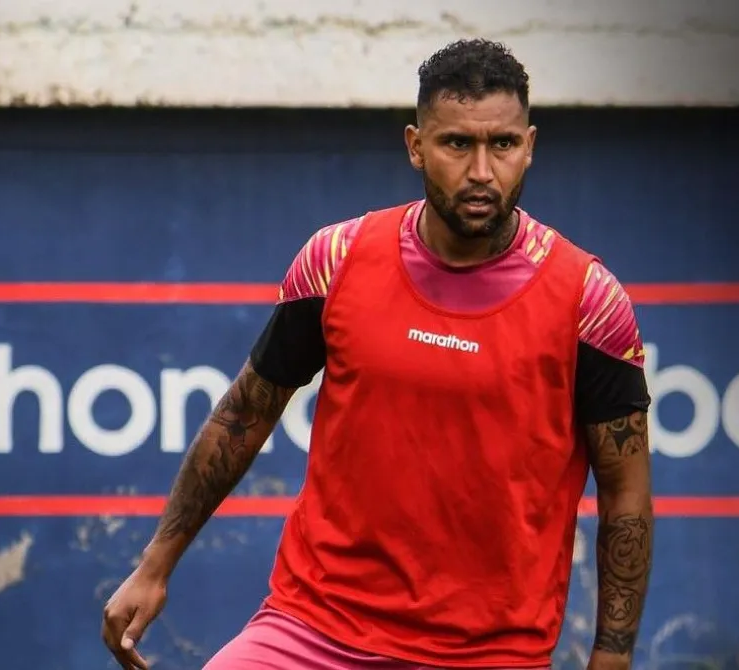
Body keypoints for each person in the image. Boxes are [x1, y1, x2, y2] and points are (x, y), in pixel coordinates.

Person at [102, 38, 654, 670]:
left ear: (529, 144)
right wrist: (154, 566)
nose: (481, 171)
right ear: (416, 146)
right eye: (456, 144)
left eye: (501, 144)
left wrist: (611, 657)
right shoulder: (336, 261)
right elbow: (242, 417)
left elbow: (625, 494)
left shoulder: (588, 301)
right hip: (311, 629)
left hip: (486, 654)